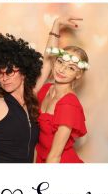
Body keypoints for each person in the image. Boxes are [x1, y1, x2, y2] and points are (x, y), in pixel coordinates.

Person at [0, 33, 43, 162]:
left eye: (9, 72)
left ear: (24, 72)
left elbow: (47, 64)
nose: (4, 78)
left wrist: (56, 27)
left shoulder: (31, 100)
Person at [35, 17, 88, 163]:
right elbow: (47, 58)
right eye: (60, 62)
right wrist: (56, 24)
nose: (62, 69)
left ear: (78, 74)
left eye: (71, 68)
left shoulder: (69, 104)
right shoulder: (45, 89)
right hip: (40, 158)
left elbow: (55, 156)